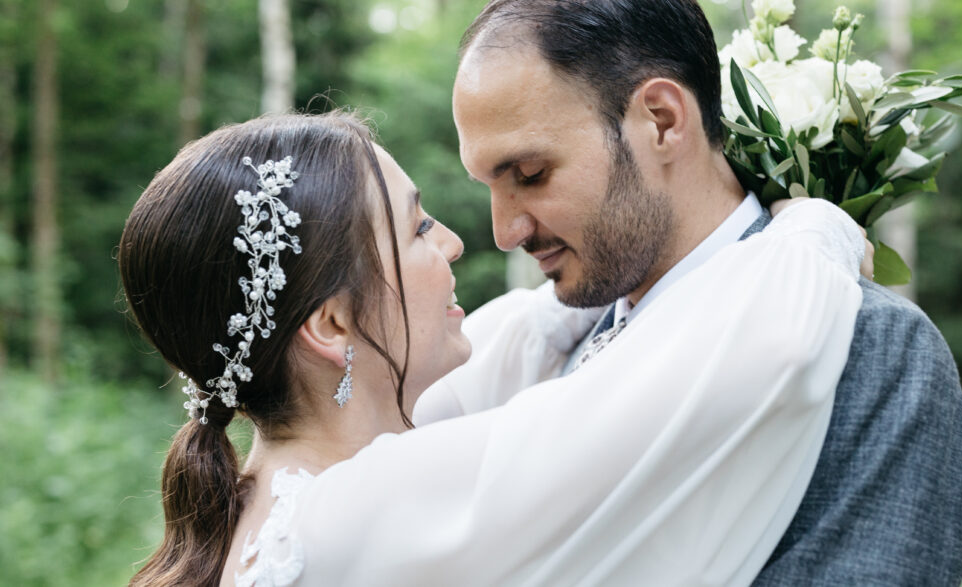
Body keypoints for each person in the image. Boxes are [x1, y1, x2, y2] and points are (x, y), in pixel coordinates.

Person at [119, 111, 868, 586]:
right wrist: (814, 224)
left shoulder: (272, 498)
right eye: (416, 230)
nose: (453, 239)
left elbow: (516, 336)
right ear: (331, 326)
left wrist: (607, 260)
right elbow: (743, 359)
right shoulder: (365, 504)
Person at [431, 0, 962, 584]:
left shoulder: (874, 348)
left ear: (662, 120)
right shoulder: (543, 353)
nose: (506, 231)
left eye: (530, 174)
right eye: (491, 188)